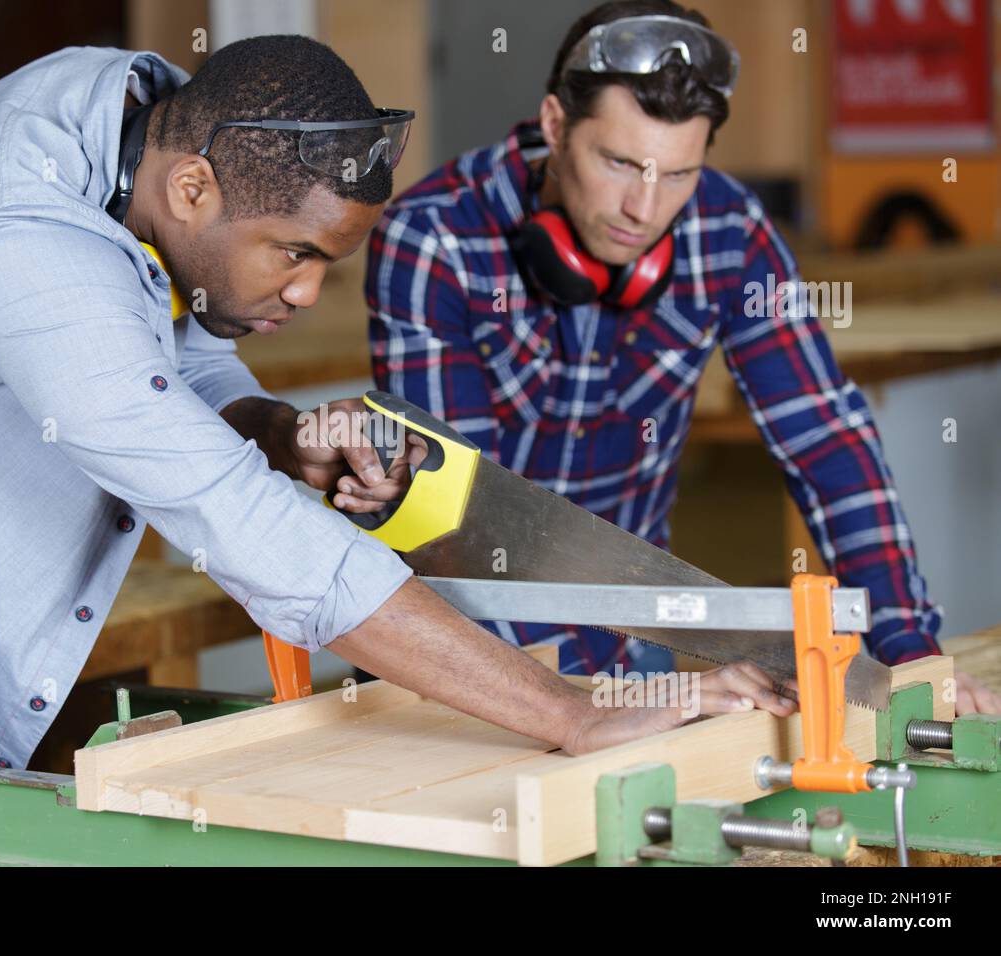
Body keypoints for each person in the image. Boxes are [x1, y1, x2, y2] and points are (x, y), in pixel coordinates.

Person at [0, 35, 793, 866]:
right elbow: (237, 524)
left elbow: (157, 349)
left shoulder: (133, 125)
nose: (310, 292)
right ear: (193, 191)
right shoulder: (21, 232)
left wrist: (272, 431)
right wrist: (571, 712)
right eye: (296, 254)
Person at [365, 0, 1000, 714]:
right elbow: (459, 517)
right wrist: (583, 706)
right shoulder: (436, 237)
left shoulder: (728, 229)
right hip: (465, 662)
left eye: (677, 175)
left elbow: (827, 442)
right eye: (617, 163)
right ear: (553, 125)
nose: (644, 206)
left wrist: (908, 651)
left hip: (633, 649)